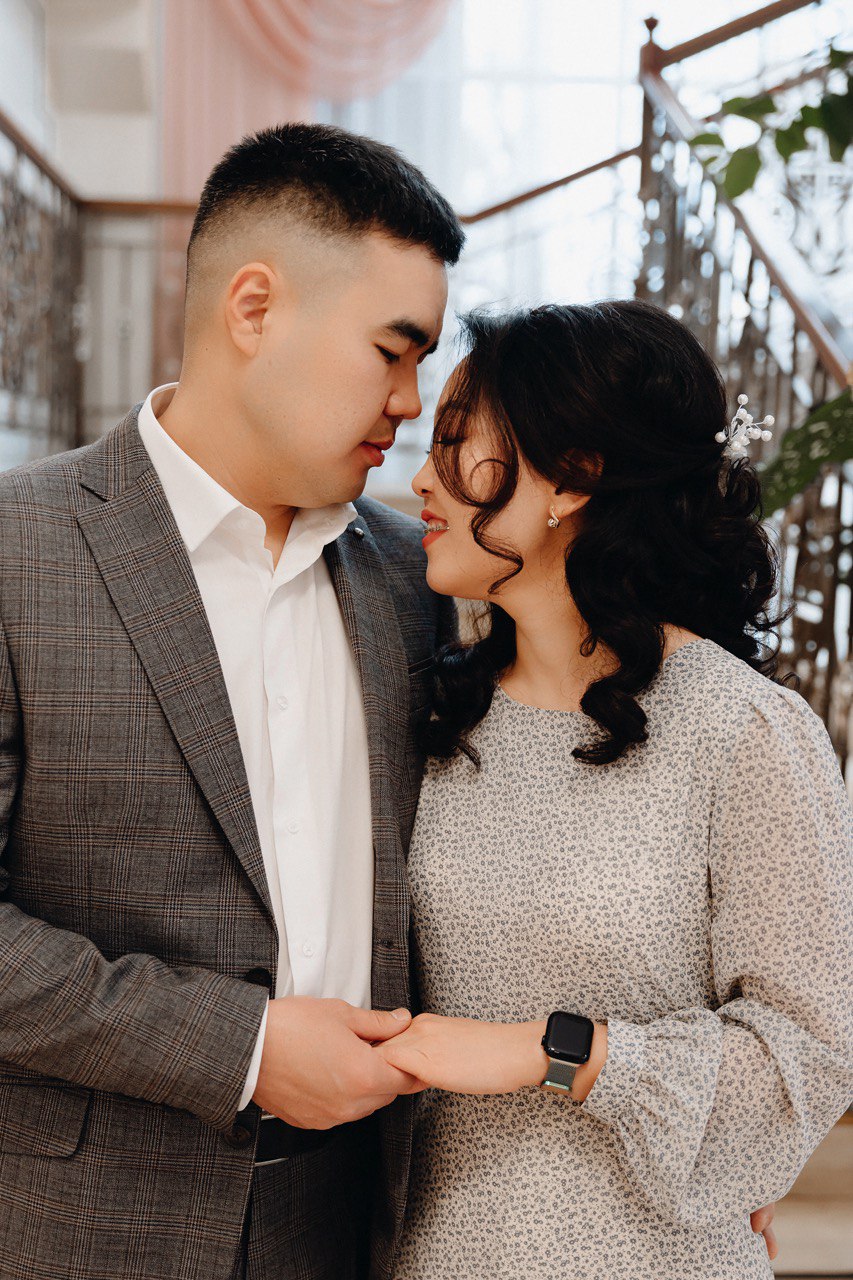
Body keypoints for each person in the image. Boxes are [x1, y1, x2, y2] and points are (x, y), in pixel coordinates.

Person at [0, 123, 462, 1280]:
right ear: (253, 308)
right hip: (84, 1226)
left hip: (361, 1217)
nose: (410, 401)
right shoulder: (16, 552)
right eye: (392, 349)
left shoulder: (420, 579)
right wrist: (243, 1046)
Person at [377, 301, 853, 1279]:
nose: (421, 477)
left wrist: (558, 1051)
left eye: (456, 444)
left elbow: (807, 1056)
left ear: (572, 476)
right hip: (432, 1253)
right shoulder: (438, 714)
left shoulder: (742, 730)